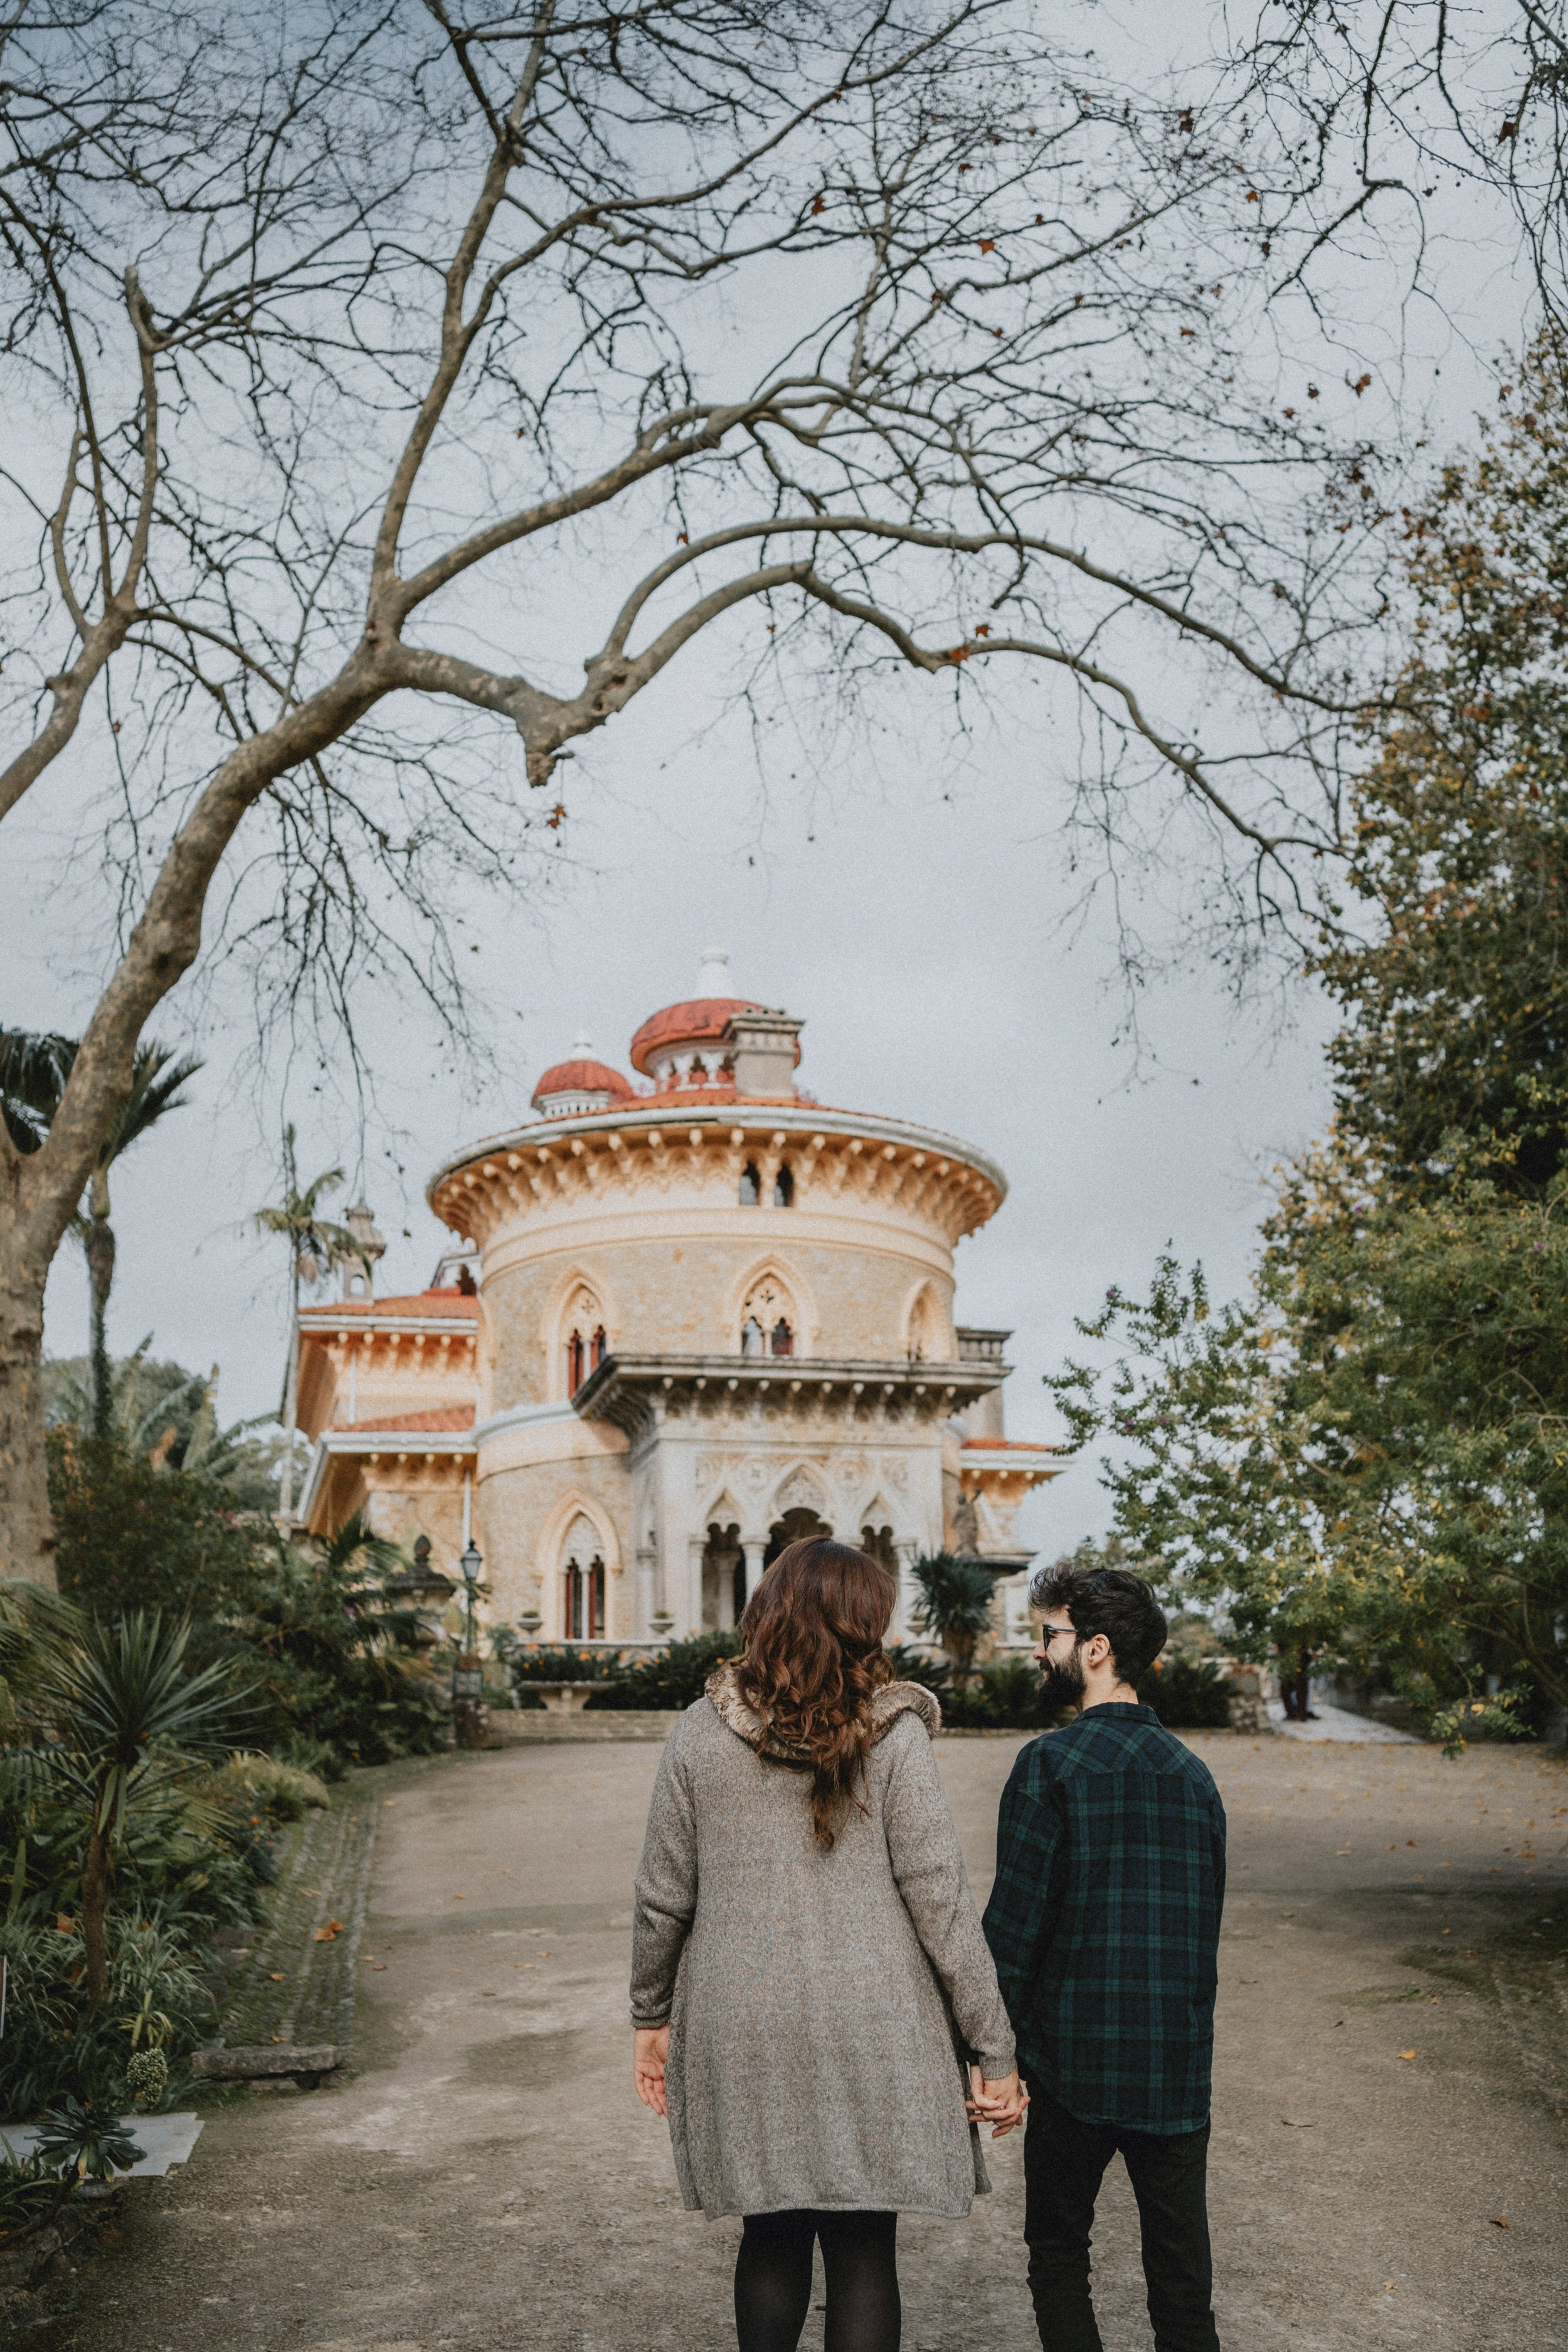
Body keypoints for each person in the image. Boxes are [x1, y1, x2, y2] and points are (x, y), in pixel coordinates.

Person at [630, 1537, 1027, 2352]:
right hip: (873, 2024)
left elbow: (662, 1899)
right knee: (862, 2245)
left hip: (743, 2022)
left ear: (765, 1614)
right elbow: (942, 1901)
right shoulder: (896, 1737)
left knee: (770, 2235)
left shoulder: (699, 1735)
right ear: (860, 1627)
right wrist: (995, 2049)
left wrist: (650, 2015)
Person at [982, 1560, 1227, 2352]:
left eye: (1047, 1635)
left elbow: (1013, 1933)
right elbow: (1199, 1936)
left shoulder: (1049, 1767)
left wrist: (994, 2056)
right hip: (1173, 2070)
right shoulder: (1196, 1779)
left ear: (1093, 1648)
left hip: (1073, 2066)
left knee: (1059, 2256)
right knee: (1183, 2283)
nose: (1038, 1653)